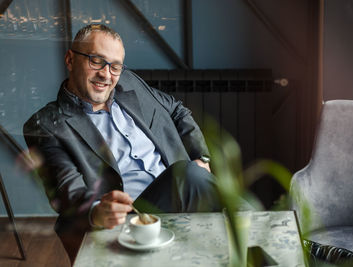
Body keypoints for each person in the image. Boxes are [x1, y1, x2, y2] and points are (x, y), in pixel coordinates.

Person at [23, 24, 220, 262]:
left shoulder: (128, 82)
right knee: (189, 176)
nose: (106, 74)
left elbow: (177, 111)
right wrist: (97, 211)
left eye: (115, 66)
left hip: (186, 200)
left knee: (202, 188)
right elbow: (68, 190)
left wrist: (202, 157)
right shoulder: (45, 124)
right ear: (70, 59)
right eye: (96, 61)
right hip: (129, 219)